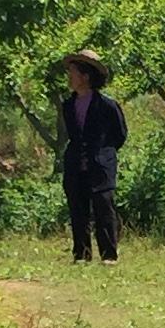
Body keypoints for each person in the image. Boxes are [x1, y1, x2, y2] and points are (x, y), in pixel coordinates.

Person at [58, 49, 127, 261]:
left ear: (85, 76)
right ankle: (81, 254)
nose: (69, 78)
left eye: (73, 73)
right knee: (77, 210)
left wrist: (104, 152)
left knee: (104, 210)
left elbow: (120, 134)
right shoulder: (68, 105)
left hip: (101, 165)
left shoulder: (107, 105)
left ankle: (108, 255)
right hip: (76, 164)